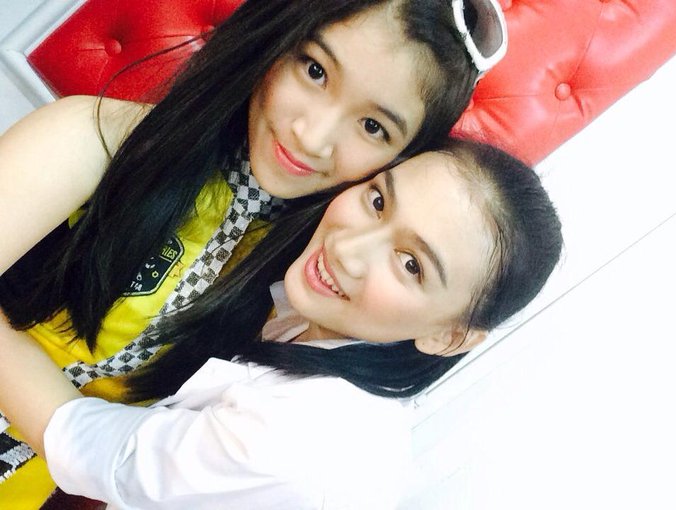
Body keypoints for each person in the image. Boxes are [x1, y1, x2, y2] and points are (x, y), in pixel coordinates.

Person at [0, 0, 508, 500]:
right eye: (315, 70)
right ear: (275, 38)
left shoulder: (309, 289)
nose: (311, 136)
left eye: (373, 127)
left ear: (402, 159)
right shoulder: (102, 142)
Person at [0, 137, 563, 508]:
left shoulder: (315, 444)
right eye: (377, 201)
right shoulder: (312, 319)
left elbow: (92, 450)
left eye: (411, 264)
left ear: (448, 335)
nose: (349, 249)